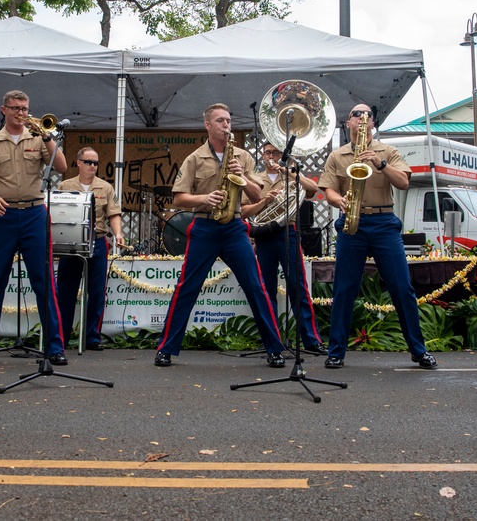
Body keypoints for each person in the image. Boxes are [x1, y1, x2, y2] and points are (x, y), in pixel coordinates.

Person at [153, 103, 287, 368]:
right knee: (186, 288)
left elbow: (257, 196)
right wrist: (204, 198)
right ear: (208, 125)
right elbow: (179, 198)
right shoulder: (194, 158)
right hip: (204, 226)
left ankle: (274, 349)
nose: (226, 125)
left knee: (256, 287)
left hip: (235, 226)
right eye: (220, 121)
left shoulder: (243, 156)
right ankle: (166, 348)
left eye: (228, 120)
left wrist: (242, 175)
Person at [317, 104, 437, 370]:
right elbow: (329, 191)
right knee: (344, 289)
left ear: (373, 125)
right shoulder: (338, 156)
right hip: (352, 223)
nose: (362, 118)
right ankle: (336, 352)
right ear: (347, 123)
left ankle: (418, 351)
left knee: (401, 287)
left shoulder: (389, 151)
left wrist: (380, 164)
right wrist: (342, 202)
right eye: (356, 114)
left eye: (367, 115)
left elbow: (404, 182)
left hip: (384, 222)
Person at [0, 90, 69, 365]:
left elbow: (62, 166)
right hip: (2, 215)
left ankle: (55, 348)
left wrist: (47, 136)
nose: (21, 113)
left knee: (43, 282)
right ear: (4, 110)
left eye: (25, 108)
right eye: (16, 108)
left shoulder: (39, 137)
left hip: (34, 214)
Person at [241, 141, 325, 353]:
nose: (271, 156)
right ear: (262, 154)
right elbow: (242, 211)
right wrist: (264, 201)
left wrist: (288, 172)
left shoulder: (291, 175)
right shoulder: (255, 179)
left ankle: (311, 340)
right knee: (266, 288)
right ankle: (271, 339)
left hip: (288, 231)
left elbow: (313, 189)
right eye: (268, 152)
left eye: (276, 152)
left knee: (298, 286)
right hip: (263, 234)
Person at [55, 146, 124, 350]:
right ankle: (61, 337)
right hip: (71, 241)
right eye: (88, 162)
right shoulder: (64, 186)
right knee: (66, 291)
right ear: (78, 163)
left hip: (98, 239)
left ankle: (91, 337)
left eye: (95, 163)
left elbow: (114, 214)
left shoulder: (106, 187)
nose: (92, 166)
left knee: (96, 291)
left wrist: (118, 233)